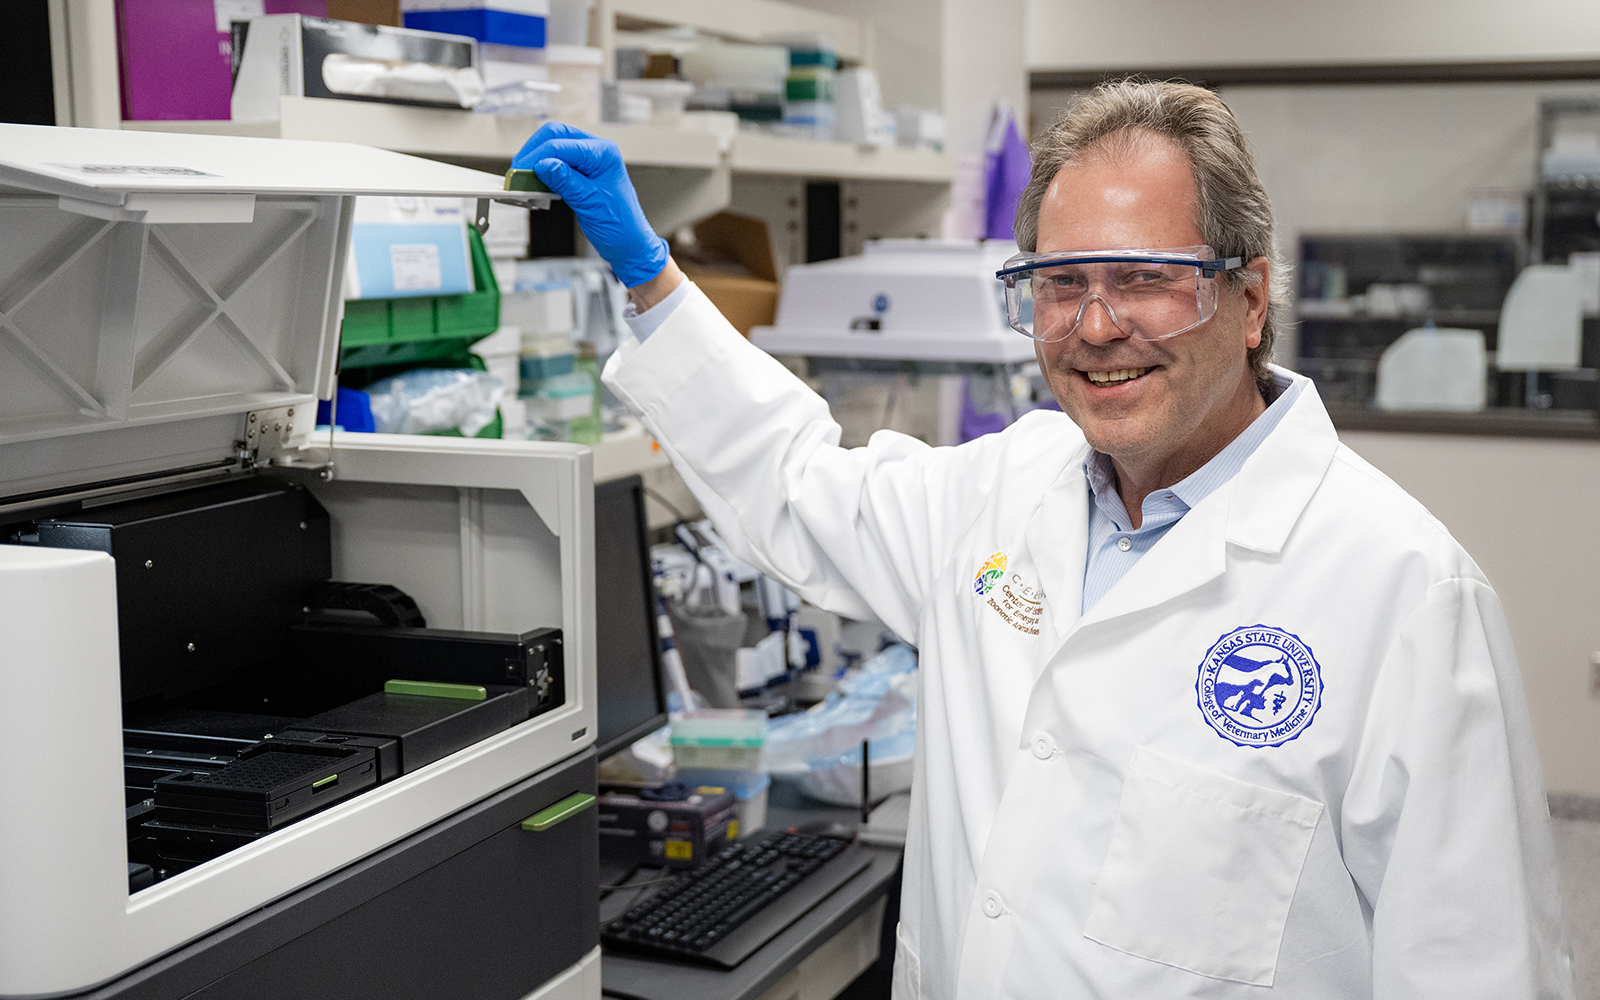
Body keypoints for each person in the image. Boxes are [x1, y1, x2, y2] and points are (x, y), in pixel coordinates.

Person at [514, 80, 1575, 999]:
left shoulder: (1402, 591)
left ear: (1248, 299)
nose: (1096, 325)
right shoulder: (996, 490)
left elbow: (1475, 968)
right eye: (1059, 284)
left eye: (1145, 277)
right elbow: (796, 484)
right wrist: (651, 278)